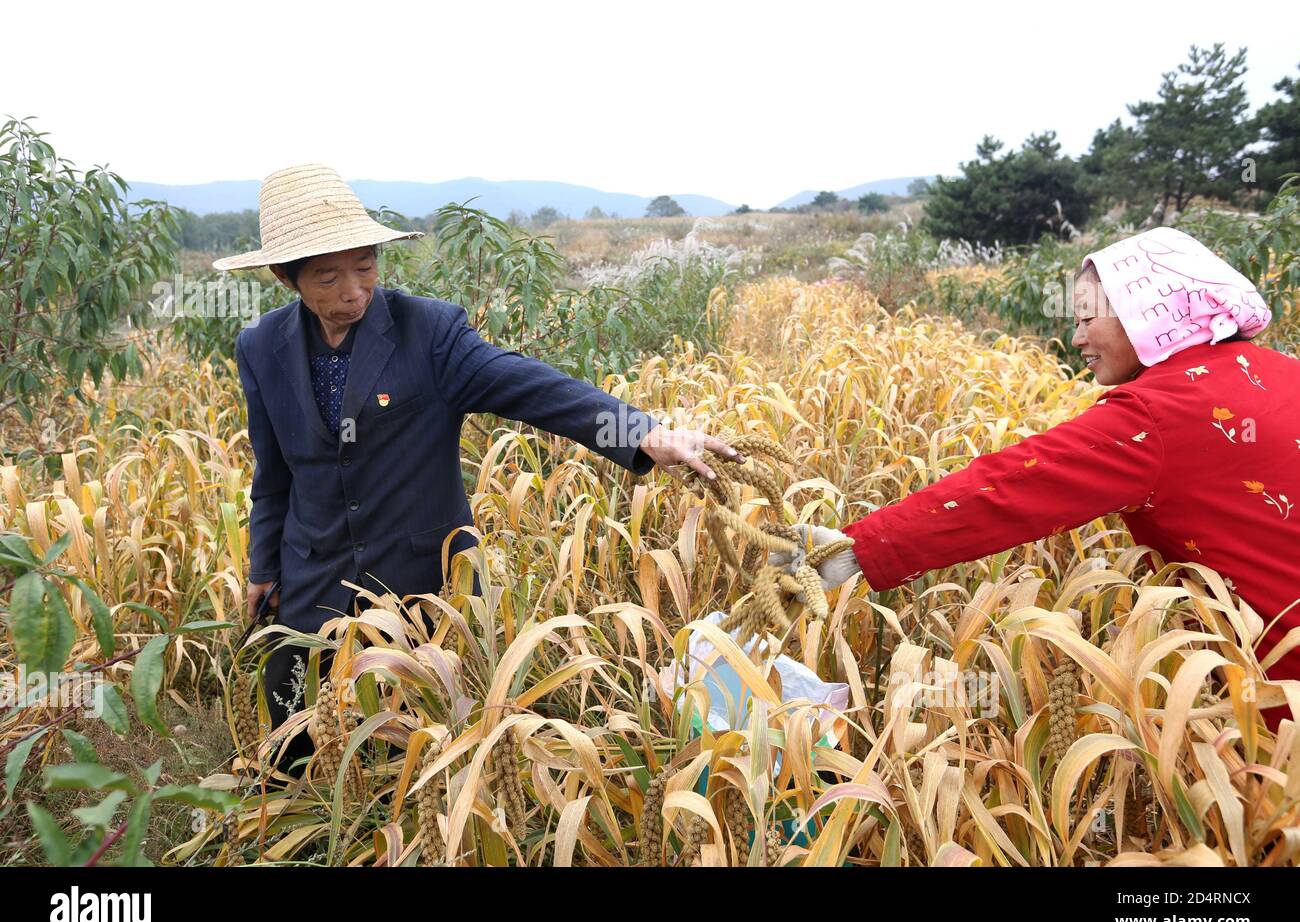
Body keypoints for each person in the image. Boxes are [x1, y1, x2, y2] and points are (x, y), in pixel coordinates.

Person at [217, 164, 742, 771]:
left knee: (419, 747)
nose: (353, 290)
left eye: (364, 267)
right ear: (288, 277)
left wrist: (642, 434)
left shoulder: (429, 333)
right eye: (329, 277)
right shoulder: (262, 347)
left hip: (419, 583)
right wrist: (264, 565)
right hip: (314, 573)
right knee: (293, 735)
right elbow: (274, 472)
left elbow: (534, 390)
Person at [774, 227, 1298, 731]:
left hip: (1281, 697)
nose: (1076, 338)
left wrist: (852, 550)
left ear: (1148, 312)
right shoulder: (1283, 371)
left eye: (1089, 318)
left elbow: (1007, 489)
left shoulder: (1157, 415)